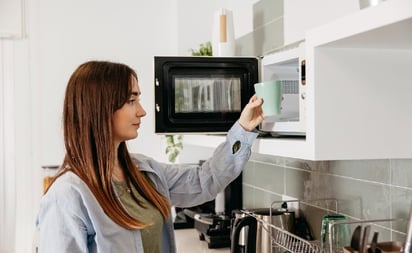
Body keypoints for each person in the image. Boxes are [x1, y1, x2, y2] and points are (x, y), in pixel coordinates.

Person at [36, 60, 264, 253]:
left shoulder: (145, 171)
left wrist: (243, 129)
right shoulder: (67, 196)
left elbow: (206, 179)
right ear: (101, 108)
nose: (142, 111)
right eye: (131, 100)